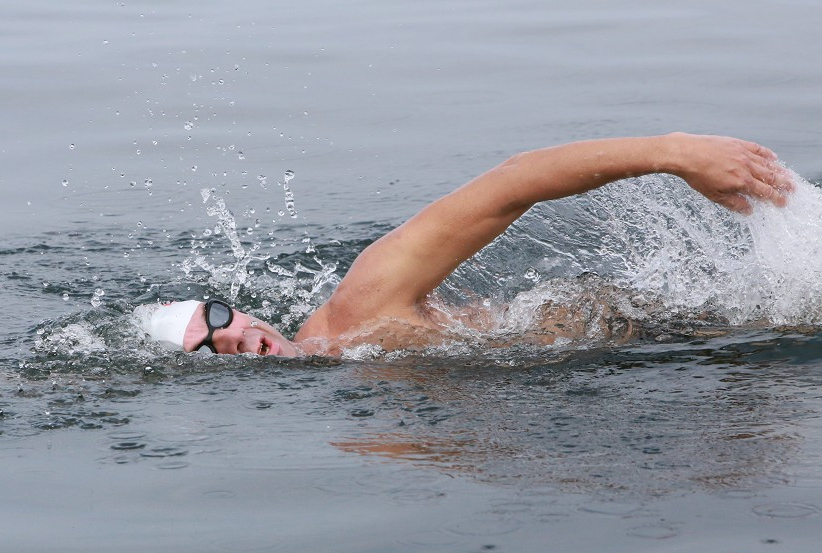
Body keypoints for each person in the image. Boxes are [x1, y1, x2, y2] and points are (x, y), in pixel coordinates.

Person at [142, 133, 794, 357]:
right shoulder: (334, 364)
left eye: (218, 319)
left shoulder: (359, 310)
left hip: (673, 329)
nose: (229, 339)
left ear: (241, 310)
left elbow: (514, 183)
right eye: (208, 351)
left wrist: (678, 154)